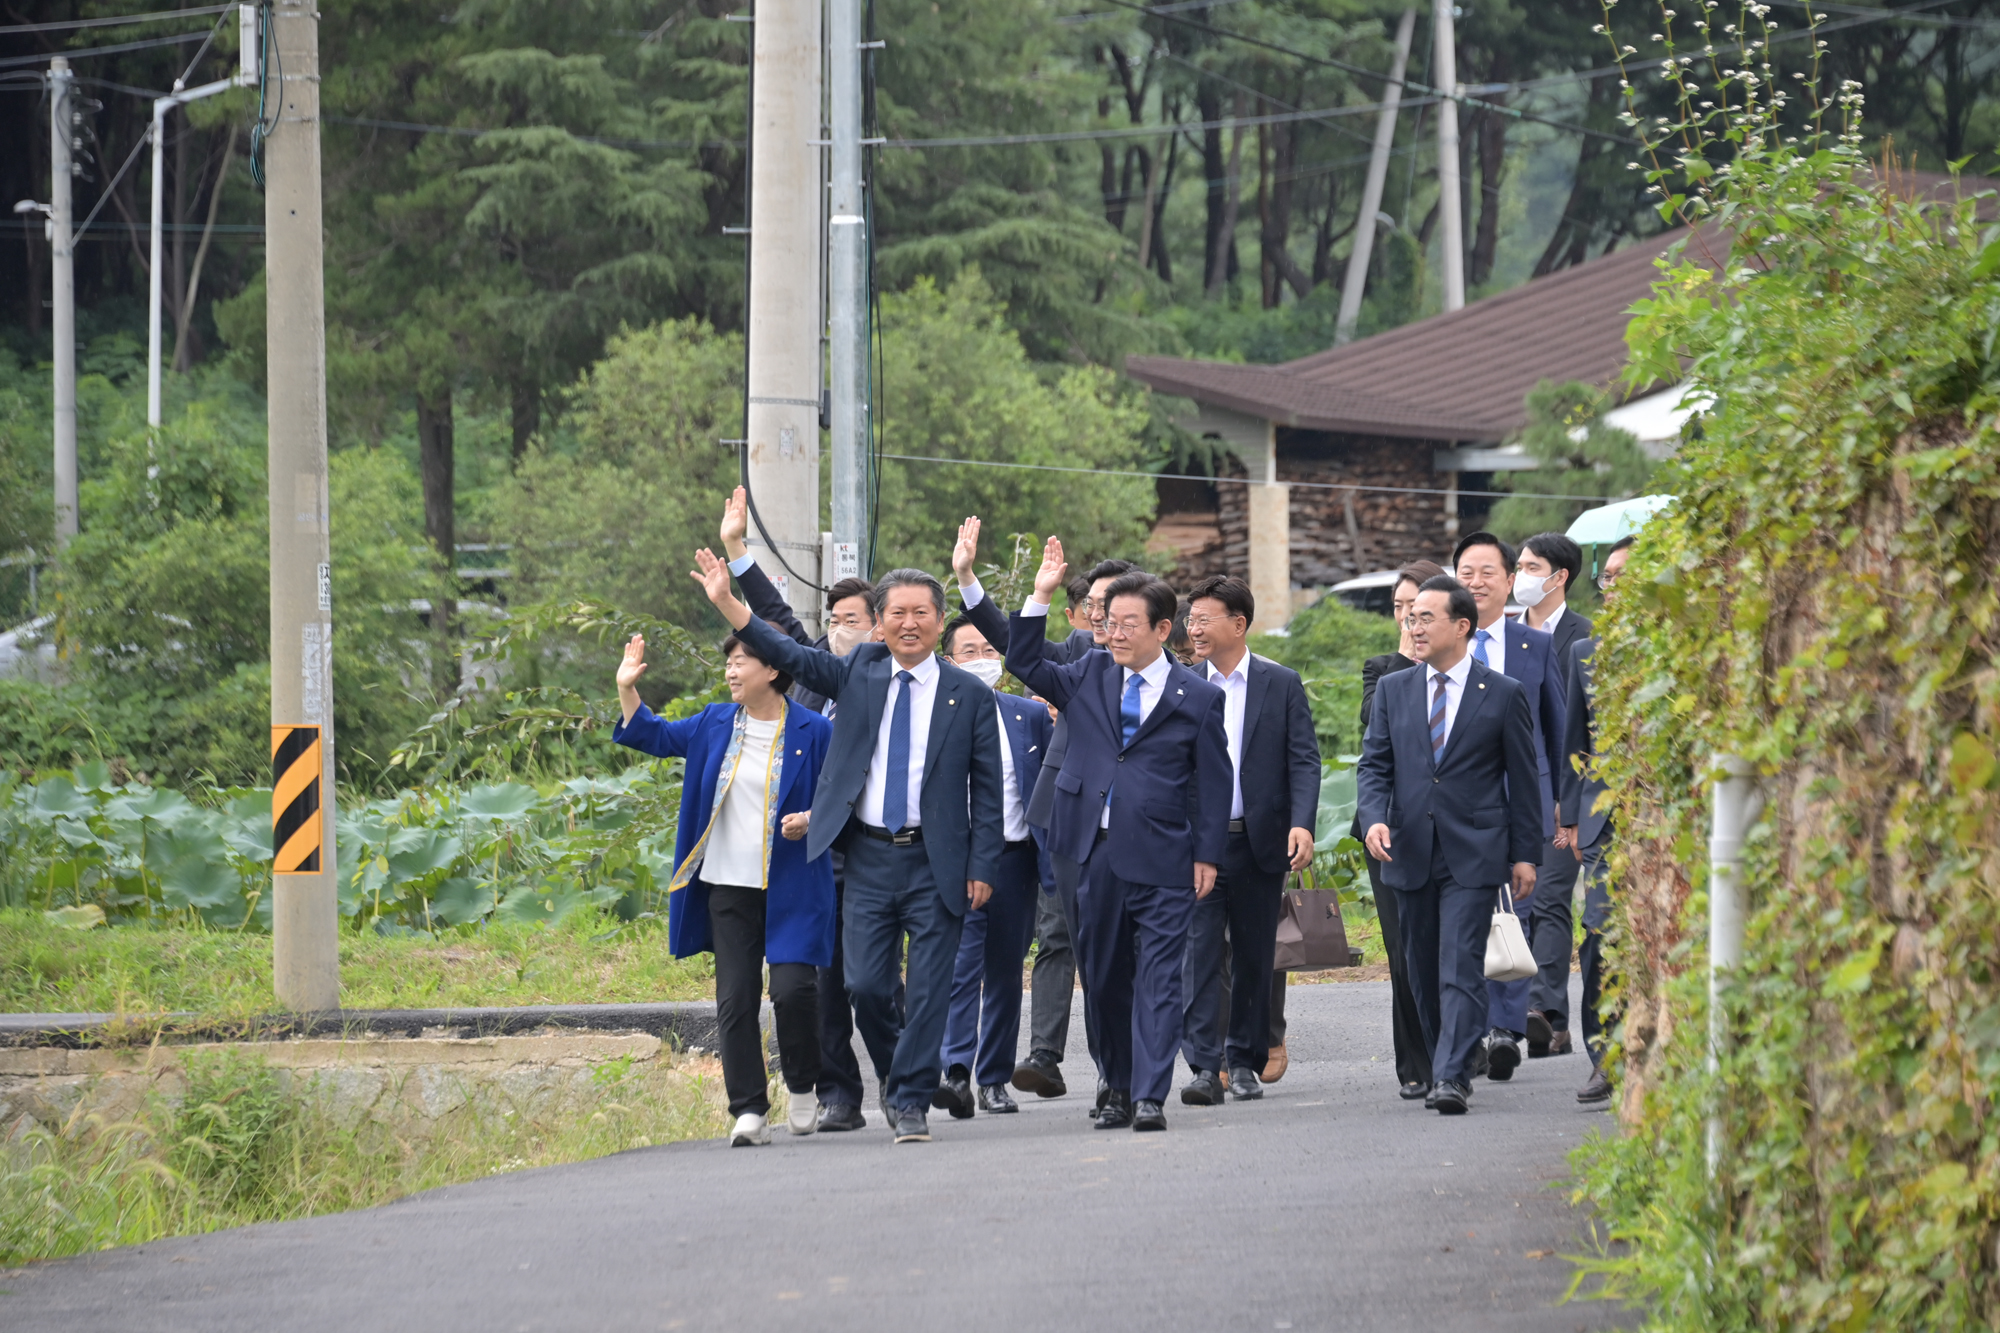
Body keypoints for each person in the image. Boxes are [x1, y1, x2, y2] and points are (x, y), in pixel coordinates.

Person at [696, 549, 1004, 1145]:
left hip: (939, 860)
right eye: (896, 613)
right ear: (880, 621)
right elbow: (785, 651)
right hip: (867, 857)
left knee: (931, 988)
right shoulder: (859, 669)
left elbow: (987, 790)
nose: (908, 623)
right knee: (864, 986)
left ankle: (910, 1101)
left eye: (921, 613)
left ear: (940, 622)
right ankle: (901, 1075)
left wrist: (983, 865)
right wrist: (729, 603)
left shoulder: (967, 695)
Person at [1005, 543, 1232, 1132]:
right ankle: (1117, 1084)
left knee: (1159, 977)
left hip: (1163, 856)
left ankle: (1151, 1094)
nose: (1115, 632)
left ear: (1163, 629)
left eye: (1130, 623)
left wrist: (1208, 853)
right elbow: (1026, 660)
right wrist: (1041, 594)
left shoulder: (1200, 697)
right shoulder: (1089, 673)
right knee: (1103, 977)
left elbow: (1213, 781)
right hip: (1093, 853)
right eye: (1109, 622)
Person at [611, 631, 834, 1147]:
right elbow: (655, 736)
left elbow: (843, 791)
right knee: (735, 999)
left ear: (774, 671)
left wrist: (812, 817)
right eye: (729, 662)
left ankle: (802, 1085)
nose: (732, 672)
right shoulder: (714, 722)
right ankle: (749, 1110)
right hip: (726, 887)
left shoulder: (814, 730)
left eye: (742, 662)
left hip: (794, 884)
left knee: (794, 991)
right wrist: (627, 689)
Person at [717, 487, 885, 1132]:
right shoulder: (812, 675)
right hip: (806, 859)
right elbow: (770, 617)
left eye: (852, 618)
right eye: (833, 617)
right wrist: (737, 551)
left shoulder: (885, 684)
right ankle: (838, 1093)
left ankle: (902, 1077)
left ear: (878, 625)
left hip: (867, 850)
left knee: (866, 980)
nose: (839, 627)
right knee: (818, 982)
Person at [1356, 575, 1541, 1115]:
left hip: (1474, 851)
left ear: (1461, 626)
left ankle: (1451, 1075)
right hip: (1408, 848)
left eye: (1424, 617)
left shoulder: (1503, 694)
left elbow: (1523, 780)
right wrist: (1372, 819)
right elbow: (1375, 766)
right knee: (1421, 967)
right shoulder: (1394, 689)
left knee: (1460, 963)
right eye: (1409, 618)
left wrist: (1525, 853)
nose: (1412, 627)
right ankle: (1449, 1057)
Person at [950, 525, 1118, 1103]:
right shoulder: (1072, 657)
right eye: (1093, 606)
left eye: (1112, 606)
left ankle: (1154, 1062)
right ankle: (1039, 1059)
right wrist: (974, 581)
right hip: (1065, 828)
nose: (1101, 617)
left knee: (1121, 949)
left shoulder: (1172, 675)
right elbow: (1013, 645)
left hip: (1138, 828)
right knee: (1053, 939)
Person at [1176, 575, 1320, 1106]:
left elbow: (1303, 758)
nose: (1193, 628)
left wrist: (1301, 822)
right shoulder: (1183, 682)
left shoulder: (1279, 683)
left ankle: (1244, 1061)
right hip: (1198, 846)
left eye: (1203, 618)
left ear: (1239, 624)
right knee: (1201, 953)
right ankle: (1202, 1063)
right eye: (1190, 619)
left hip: (1260, 842)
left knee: (1256, 955)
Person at [1451, 532, 1568, 1082]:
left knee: (1518, 909)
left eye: (1487, 573)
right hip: (1459, 805)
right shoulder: (1443, 643)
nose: (1476, 583)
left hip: (1524, 798)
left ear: (1508, 581)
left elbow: (1556, 727)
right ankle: (1469, 1030)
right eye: (1466, 574)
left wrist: (1562, 800)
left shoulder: (1535, 645)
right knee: (1462, 916)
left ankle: (1504, 1029)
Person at [933, 615, 1053, 1117]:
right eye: (969, 651)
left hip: (1014, 861)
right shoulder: (935, 716)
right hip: (955, 861)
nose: (982, 658)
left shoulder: (1029, 715)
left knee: (1004, 972)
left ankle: (995, 1079)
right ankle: (956, 1071)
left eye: (989, 649)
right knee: (960, 968)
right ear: (947, 661)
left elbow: (1047, 788)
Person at [1355, 559, 1446, 1101]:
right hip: (1391, 828)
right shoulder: (1382, 670)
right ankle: (1415, 1059)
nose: (1407, 620)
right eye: (1399, 610)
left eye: (1417, 610)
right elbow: (1372, 722)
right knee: (1403, 946)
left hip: (1456, 828)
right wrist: (1411, 662)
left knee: (1453, 947)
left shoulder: (1468, 669)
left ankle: (1457, 1046)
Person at [1514, 532, 1593, 1058]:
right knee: (1515, 904)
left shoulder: (1587, 637)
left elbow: (1584, 726)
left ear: (1558, 576)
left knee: (1549, 899)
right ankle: (1513, 1007)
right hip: (1511, 791)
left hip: (1564, 793)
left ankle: (1547, 1013)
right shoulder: (1497, 636)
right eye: (1517, 564)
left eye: (1529, 565)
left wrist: (1574, 799)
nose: (1520, 574)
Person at [1560, 535, 1633, 1105]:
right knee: (1600, 936)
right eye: (1607, 578)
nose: (1614, 587)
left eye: (1626, 576)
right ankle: (1603, 1055)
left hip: (1664, 816)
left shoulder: (1682, 646)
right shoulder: (1586, 651)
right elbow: (1575, 741)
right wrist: (1570, 816)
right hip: (1602, 819)